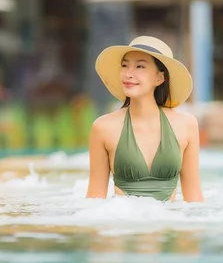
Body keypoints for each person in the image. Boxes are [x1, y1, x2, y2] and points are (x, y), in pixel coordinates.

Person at [86, 36, 204, 202]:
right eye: (125, 65)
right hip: (124, 223)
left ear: (159, 78)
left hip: (169, 222)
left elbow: (194, 198)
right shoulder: (103, 127)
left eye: (140, 66)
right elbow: (94, 199)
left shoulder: (186, 125)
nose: (128, 74)